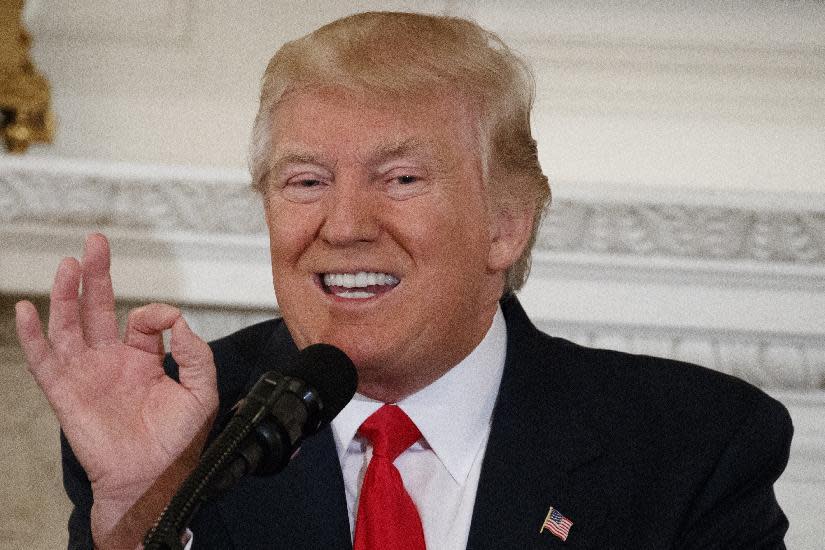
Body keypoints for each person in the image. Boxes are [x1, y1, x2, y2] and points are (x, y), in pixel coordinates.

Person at [15, 12, 792, 550]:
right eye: (305, 181)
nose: (344, 224)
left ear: (505, 224)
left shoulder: (689, 446)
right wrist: (136, 524)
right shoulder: (183, 429)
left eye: (401, 178)